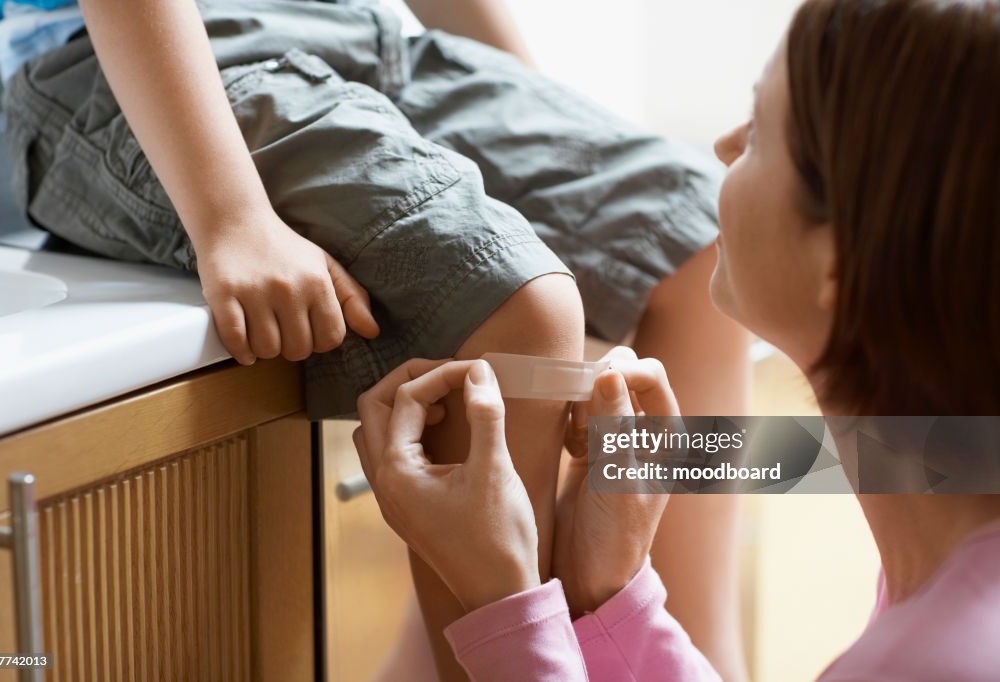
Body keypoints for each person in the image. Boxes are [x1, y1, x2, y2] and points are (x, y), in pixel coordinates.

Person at [0, 0, 750, 678]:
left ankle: (699, 665)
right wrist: (231, 218)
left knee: (711, 247)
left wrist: (539, 128)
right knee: (521, 306)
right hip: (156, 63)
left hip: (371, 36)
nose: (737, 142)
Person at [353, 0, 1000, 678]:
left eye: (759, 133)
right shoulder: (954, 517)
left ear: (843, 259)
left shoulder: (941, 661)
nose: (724, 145)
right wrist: (613, 595)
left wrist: (502, 603)